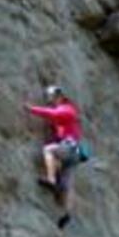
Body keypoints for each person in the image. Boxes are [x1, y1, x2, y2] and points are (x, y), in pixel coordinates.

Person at [25, 85, 83, 229]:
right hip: (73, 152)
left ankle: (51, 180)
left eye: (51, 97)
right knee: (67, 185)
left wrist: (32, 109)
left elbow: (55, 115)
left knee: (49, 150)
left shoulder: (67, 109)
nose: (50, 101)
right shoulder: (67, 113)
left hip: (69, 148)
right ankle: (67, 212)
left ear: (59, 96)